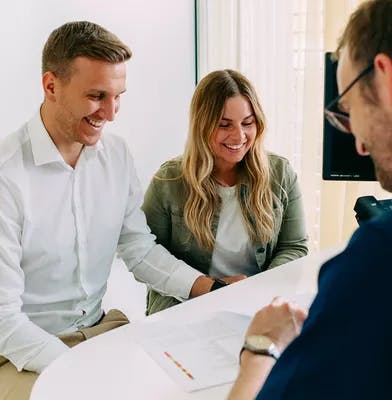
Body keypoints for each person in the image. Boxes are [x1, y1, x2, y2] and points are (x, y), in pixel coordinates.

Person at [0, 21, 226, 400]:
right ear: (51, 86)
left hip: (99, 332)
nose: (111, 112)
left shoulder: (116, 155)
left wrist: (211, 288)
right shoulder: (7, 176)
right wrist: (84, 370)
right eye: (96, 96)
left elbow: (139, 249)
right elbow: (4, 320)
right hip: (19, 353)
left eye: (118, 95)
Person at [228, 1, 392, 399]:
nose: (358, 144)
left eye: (348, 110)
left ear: (388, 79)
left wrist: (260, 346)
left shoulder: (382, 256)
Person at [142, 69, 308, 315]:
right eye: (224, 125)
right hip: (185, 306)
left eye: (248, 123)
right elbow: (148, 257)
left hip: (256, 304)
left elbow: (294, 247)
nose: (239, 136)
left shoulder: (281, 173)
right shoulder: (168, 181)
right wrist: (214, 290)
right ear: (202, 125)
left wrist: (258, 291)